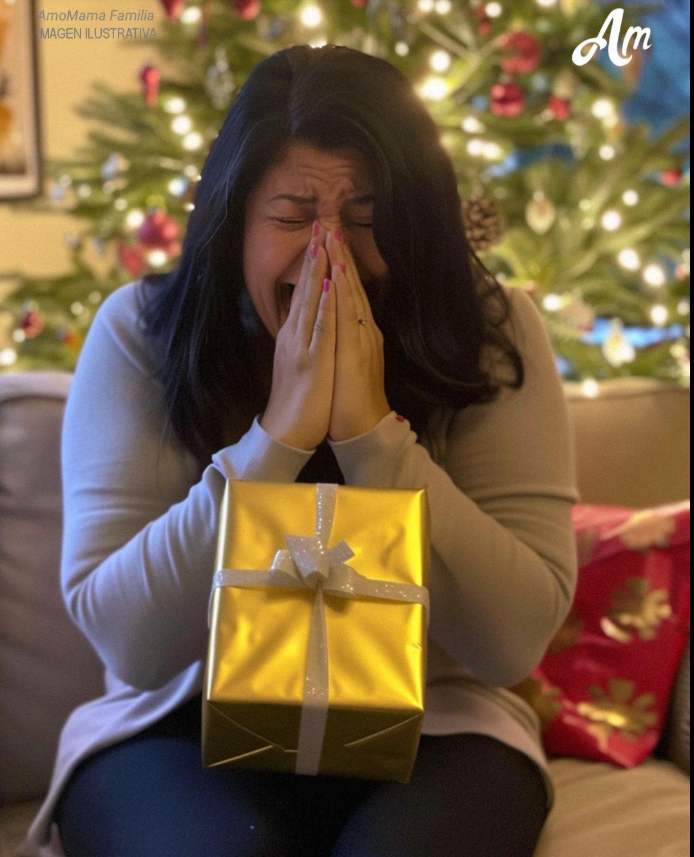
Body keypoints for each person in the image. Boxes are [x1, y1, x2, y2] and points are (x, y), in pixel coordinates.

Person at [20, 44, 580, 857]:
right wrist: (274, 442)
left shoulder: (494, 334)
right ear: (235, 221)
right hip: (177, 720)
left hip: (437, 720)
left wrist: (374, 439)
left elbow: (513, 641)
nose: (331, 254)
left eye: (368, 217)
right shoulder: (142, 333)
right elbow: (128, 644)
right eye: (292, 215)